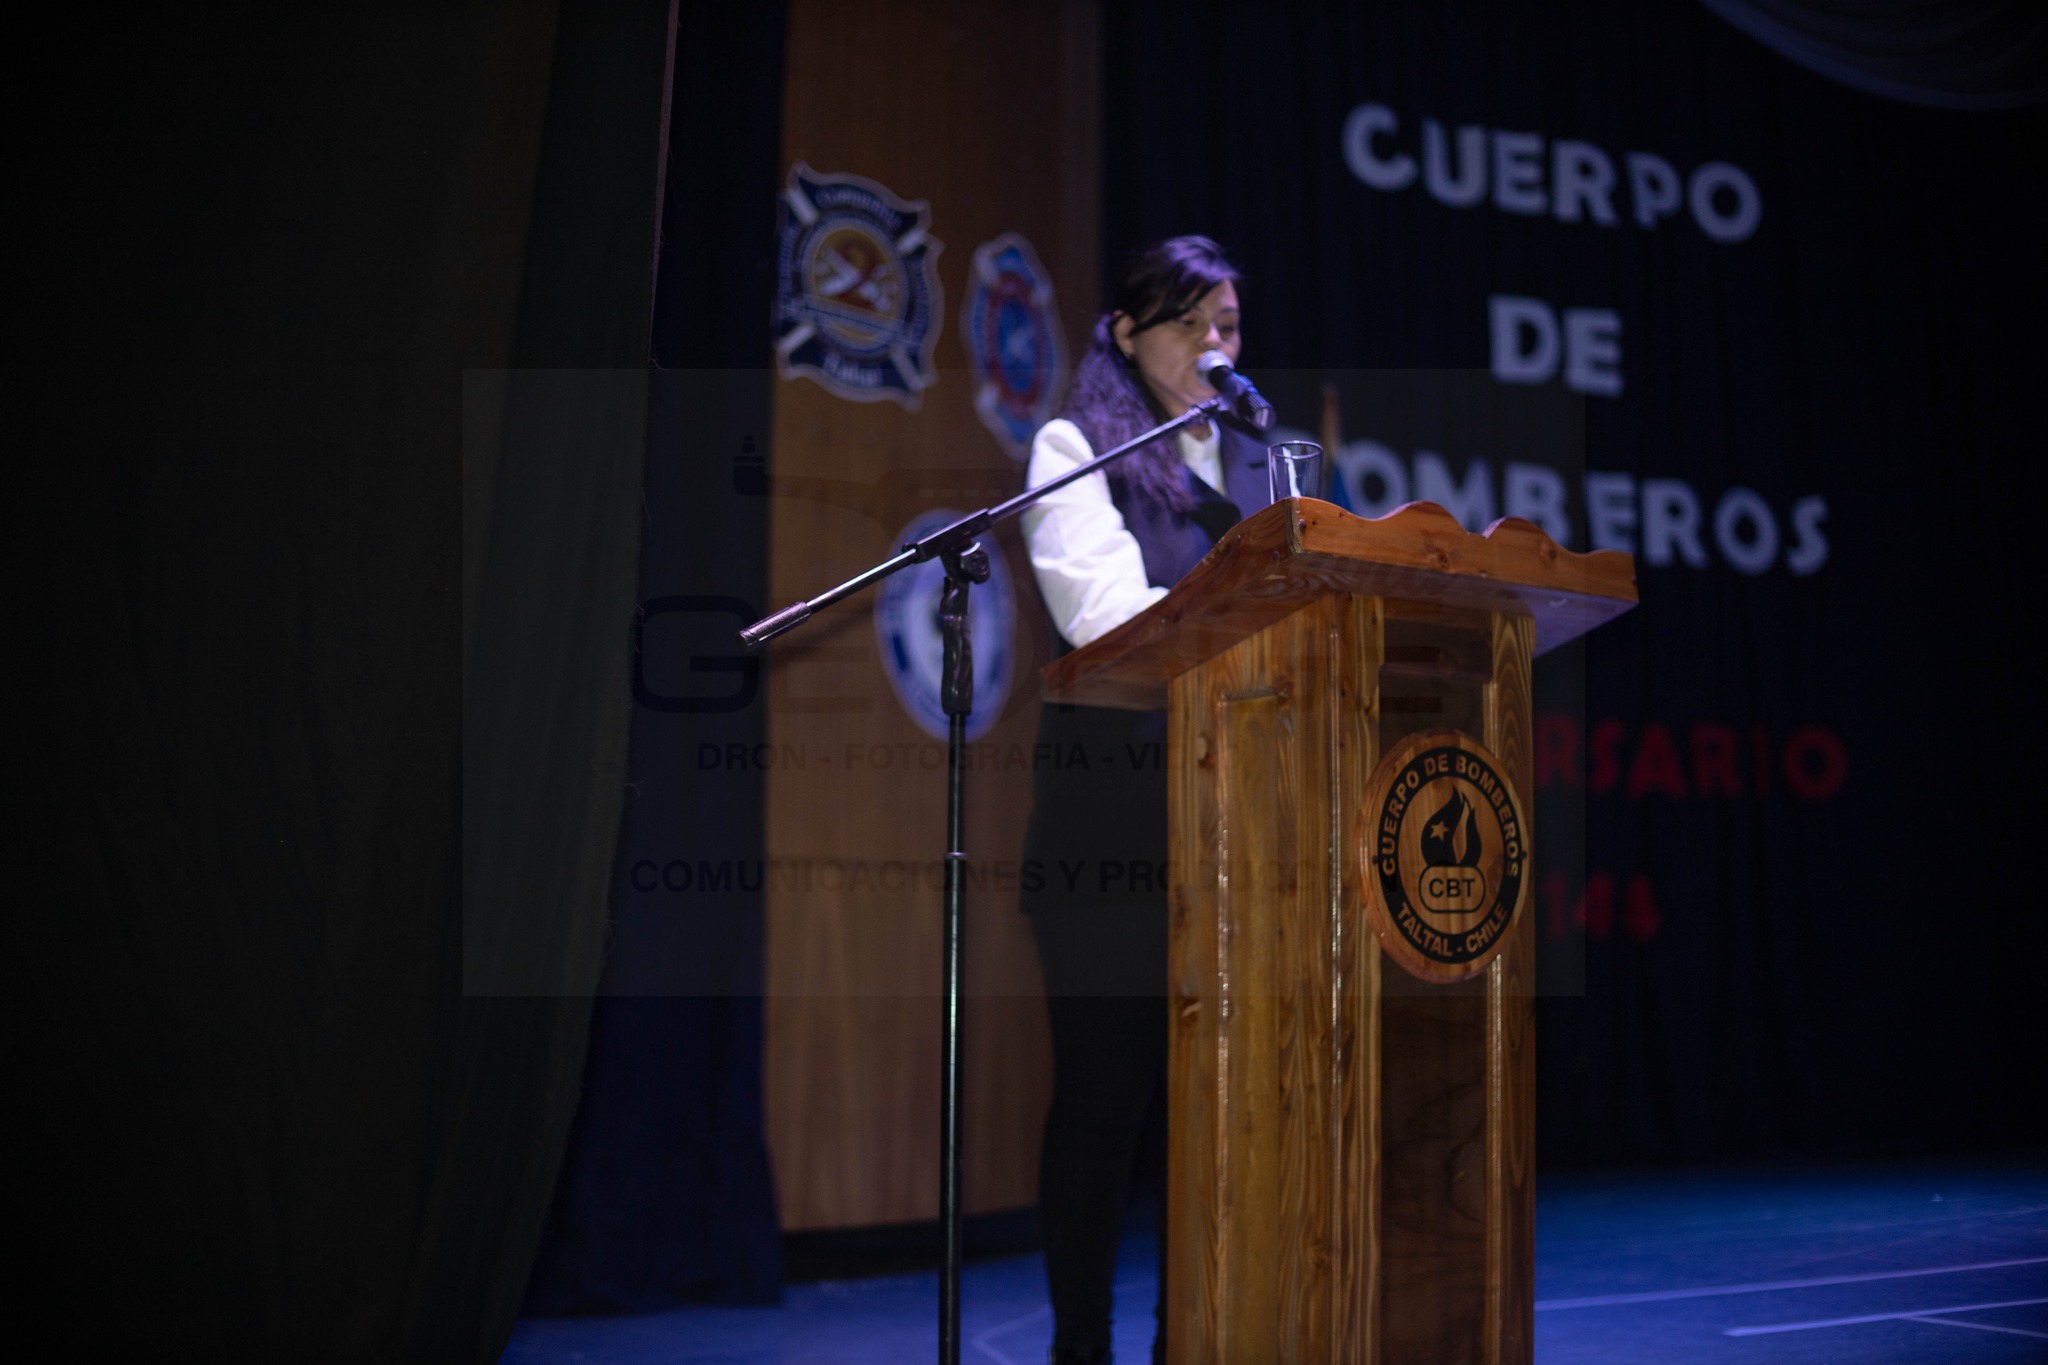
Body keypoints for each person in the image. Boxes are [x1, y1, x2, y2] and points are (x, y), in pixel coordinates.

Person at [1020, 236, 1275, 1365]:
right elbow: (1107, 622)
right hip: (1113, 830)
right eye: (1190, 322)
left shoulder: (1268, 464)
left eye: (1228, 323)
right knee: (1103, 1103)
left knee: (1211, 1113)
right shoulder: (1076, 448)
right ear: (1126, 335)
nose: (1215, 343)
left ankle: (1194, 1340)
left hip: (1244, 831)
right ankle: (1080, 1346)